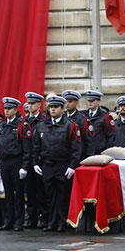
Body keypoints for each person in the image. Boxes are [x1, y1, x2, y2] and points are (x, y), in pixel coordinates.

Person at [32, 96, 81, 232]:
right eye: (51, 107)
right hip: (47, 165)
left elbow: (76, 149)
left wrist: (72, 166)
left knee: (62, 195)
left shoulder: (70, 125)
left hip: (63, 165)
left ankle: (62, 221)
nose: (52, 109)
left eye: (55, 107)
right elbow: (36, 146)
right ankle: (51, 221)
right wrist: (35, 163)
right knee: (49, 195)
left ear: (62, 108)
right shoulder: (42, 125)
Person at [0, 97, 32, 232]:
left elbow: (27, 148)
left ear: (15, 110)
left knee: (18, 193)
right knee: (8, 193)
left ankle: (19, 222)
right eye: (5, 109)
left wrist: (24, 166)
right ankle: (8, 221)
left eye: (9, 109)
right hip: (4, 161)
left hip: (17, 161)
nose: (7, 111)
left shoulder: (22, 125)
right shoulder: (0, 126)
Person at [24, 91, 49, 229]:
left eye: (33, 104)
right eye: (28, 104)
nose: (30, 106)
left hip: (39, 160)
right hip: (27, 160)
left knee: (41, 191)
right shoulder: (25, 121)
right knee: (29, 191)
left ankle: (43, 217)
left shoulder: (43, 121)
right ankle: (31, 216)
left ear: (39, 105)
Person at [82, 90, 116, 157]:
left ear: (98, 101)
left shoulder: (105, 117)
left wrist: (106, 153)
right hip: (85, 152)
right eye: (88, 101)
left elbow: (111, 136)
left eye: (92, 101)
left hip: (100, 153)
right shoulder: (83, 115)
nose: (90, 103)